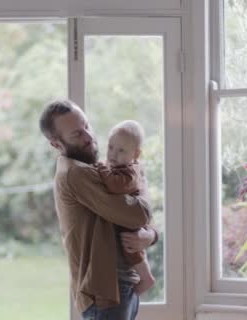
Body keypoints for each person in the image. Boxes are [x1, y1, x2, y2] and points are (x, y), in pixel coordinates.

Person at [39, 99, 158, 320]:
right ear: (56, 143)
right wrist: (141, 179)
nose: (88, 136)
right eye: (77, 134)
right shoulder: (76, 173)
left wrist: (150, 235)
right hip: (105, 293)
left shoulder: (92, 167)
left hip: (120, 286)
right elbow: (137, 214)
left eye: (86, 125)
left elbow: (131, 210)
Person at [95, 120, 155, 295]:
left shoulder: (130, 172)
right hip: (127, 217)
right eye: (111, 147)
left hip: (130, 223)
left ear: (136, 154)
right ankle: (145, 276)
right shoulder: (119, 166)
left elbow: (116, 186)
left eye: (121, 150)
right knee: (131, 248)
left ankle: (146, 277)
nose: (113, 154)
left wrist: (101, 169)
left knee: (132, 250)